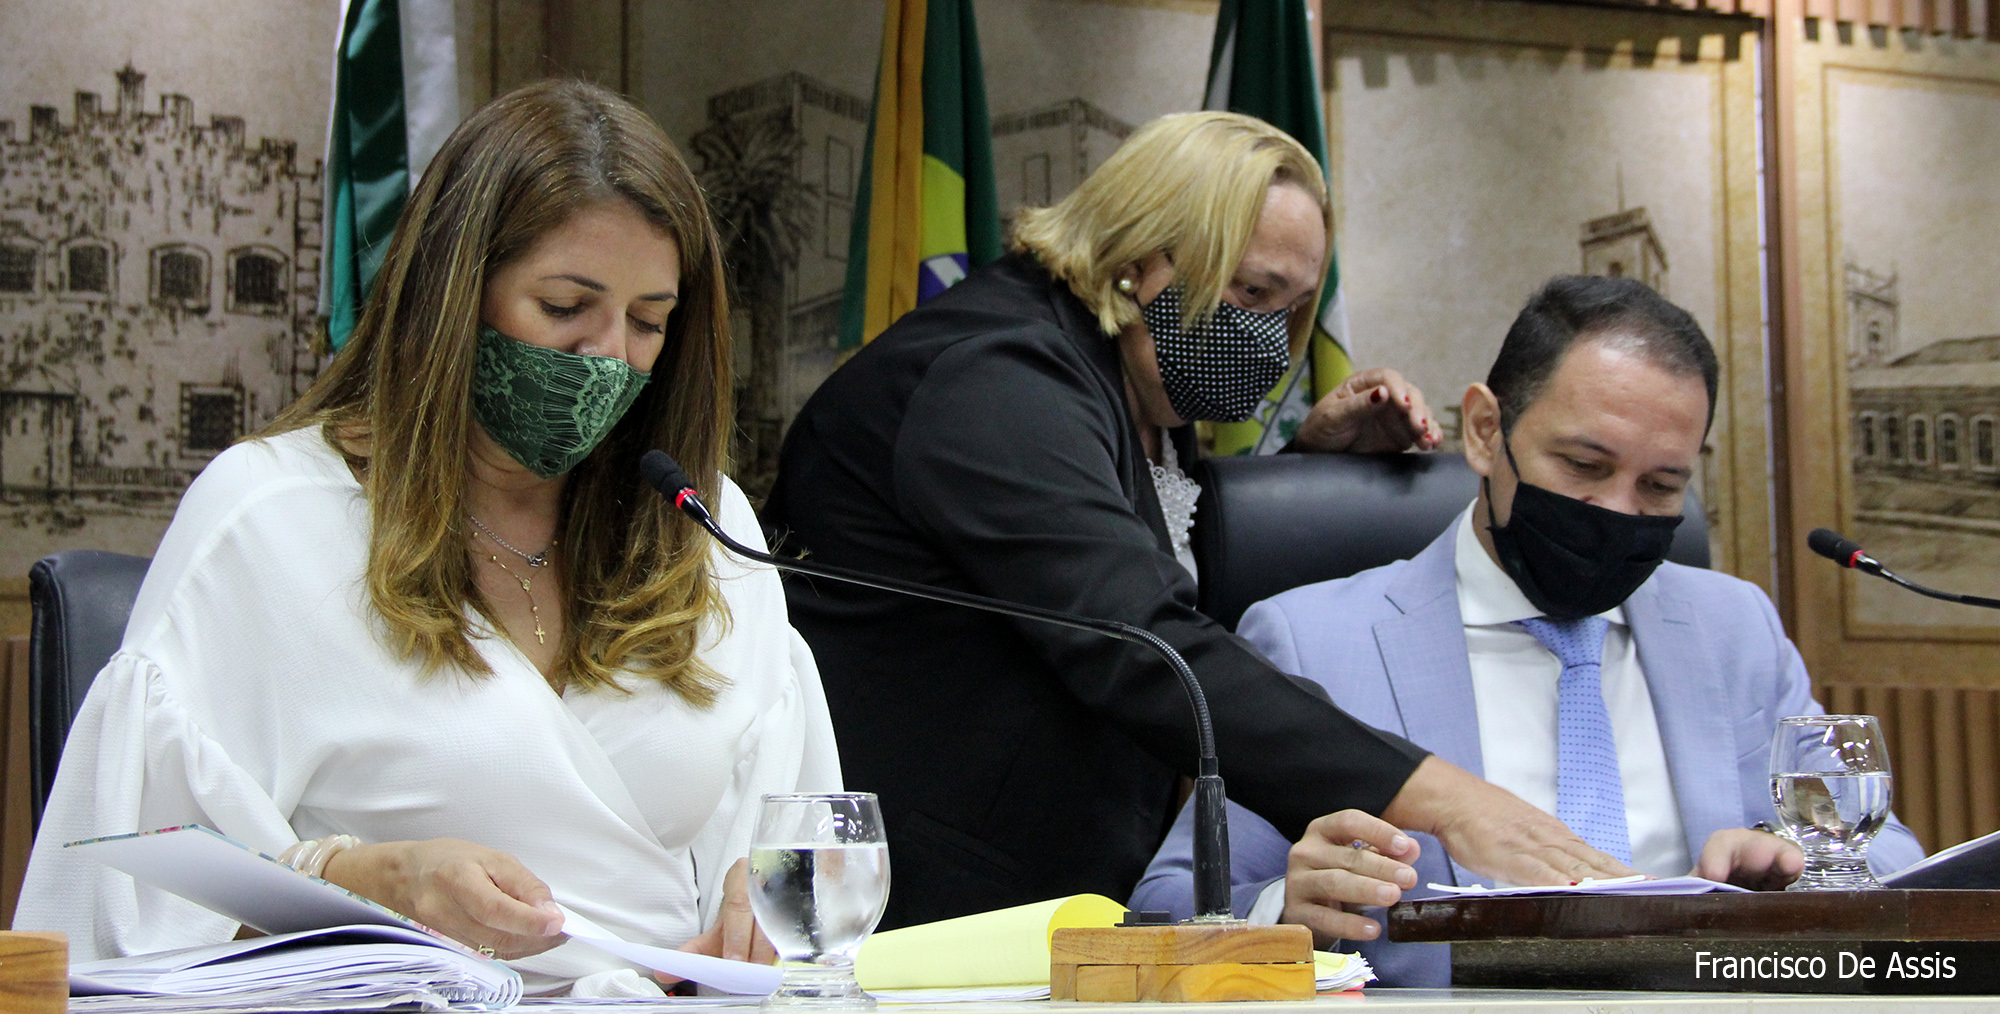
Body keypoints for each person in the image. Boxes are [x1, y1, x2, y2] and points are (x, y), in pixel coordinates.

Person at [15, 80, 840, 996]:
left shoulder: (698, 524)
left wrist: (772, 894)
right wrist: (368, 880)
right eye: (565, 307)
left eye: (648, 322)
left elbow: (797, 834)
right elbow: (129, 904)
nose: (609, 356)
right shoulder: (271, 516)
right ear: (455, 292)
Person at [762, 112, 1632, 931]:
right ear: (1136, 254)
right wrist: (1444, 798)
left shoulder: (1130, 383)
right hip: (925, 910)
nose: (1270, 338)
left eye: (1290, 307)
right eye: (1251, 290)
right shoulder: (997, 378)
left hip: (1049, 893)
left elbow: (1146, 550)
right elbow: (1141, 638)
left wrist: (1305, 469)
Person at [1132, 275, 1927, 985]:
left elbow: (1889, 854)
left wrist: (1796, 870)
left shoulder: (1735, 627)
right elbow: (1168, 905)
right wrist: (1286, 909)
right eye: (1584, 465)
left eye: (1661, 485)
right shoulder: (1315, 640)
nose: (1617, 510)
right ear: (1486, 431)